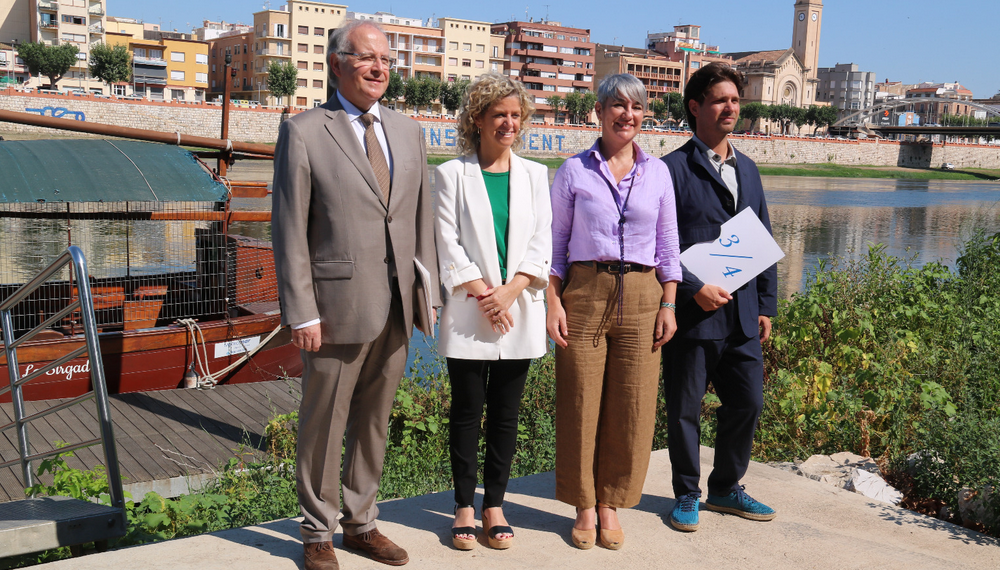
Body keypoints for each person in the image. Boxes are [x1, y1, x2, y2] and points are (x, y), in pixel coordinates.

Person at [271, 20, 440, 570]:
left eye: (386, 61)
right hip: (335, 308)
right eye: (366, 58)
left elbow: (421, 222)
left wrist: (426, 295)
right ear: (336, 63)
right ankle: (317, 532)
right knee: (323, 424)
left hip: (395, 305)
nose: (379, 69)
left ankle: (361, 524)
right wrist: (301, 310)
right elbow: (289, 230)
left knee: (374, 420)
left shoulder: (408, 130)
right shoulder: (303, 131)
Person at [547, 73, 681, 550]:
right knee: (580, 398)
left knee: (634, 402)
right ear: (599, 112)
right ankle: (583, 502)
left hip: (644, 293)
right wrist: (552, 302)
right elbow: (554, 248)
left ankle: (611, 502)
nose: (628, 115)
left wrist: (669, 302)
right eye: (618, 106)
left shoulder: (659, 173)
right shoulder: (573, 171)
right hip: (584, 290)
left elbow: (668, 245)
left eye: (637, 107)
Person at [434, 73, 552, 551]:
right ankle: (464, 503)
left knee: (506, 414)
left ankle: (495, 504)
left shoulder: (536, 175)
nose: (508, 122)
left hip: (519, 308)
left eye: (515, 115)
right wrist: (487, 294)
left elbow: (543, 240)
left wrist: (512, 291)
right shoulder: (450, 174)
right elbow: (446, 241)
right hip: (469, 310)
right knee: (466, 412)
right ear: (477, 119)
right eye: (498, 114)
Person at [660, 62, 778, 533]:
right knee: (685, 409)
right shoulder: (670, 169)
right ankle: (687, 494)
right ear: (696, 107)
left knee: (748, 402)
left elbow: (762, 235)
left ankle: (726, 488)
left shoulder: (747, 168)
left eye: (735, 100)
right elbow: (658, 245)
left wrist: (767, 304)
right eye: (720, 100)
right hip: (693, 314)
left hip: (744, 315)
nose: (731, 108)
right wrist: (693, 288)